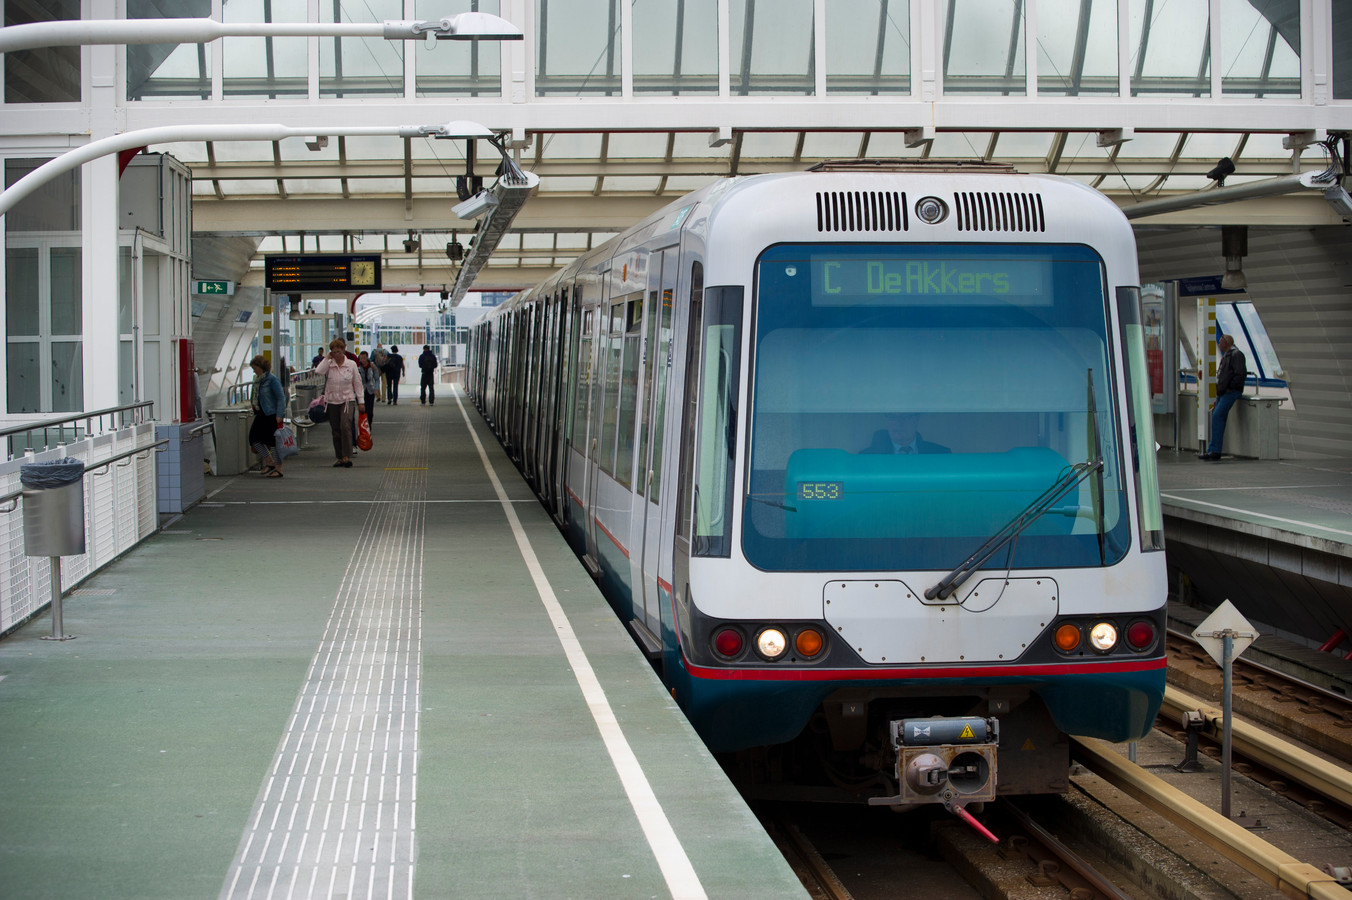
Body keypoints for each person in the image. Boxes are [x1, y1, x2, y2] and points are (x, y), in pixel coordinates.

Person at [314, 338, 365, 468]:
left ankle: (347, 456)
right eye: (333, 352)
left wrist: (361, 401)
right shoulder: (329, 364)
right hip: (332, 401)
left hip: (347, 400)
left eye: (338, 351)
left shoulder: (351, 364)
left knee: (345, 426)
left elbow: (358, 383)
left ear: (343, 350)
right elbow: (318, 371)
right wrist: (326, 358)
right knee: (335, 430)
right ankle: (340, 457)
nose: (336, 354)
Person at [1199, 333, 1247, 461]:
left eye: (1220, 341)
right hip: (1223, 392)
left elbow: (1239, 374)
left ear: (1226, 342)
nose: (1219, 344)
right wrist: (1219, 394)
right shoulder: (1227, 356)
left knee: (1217, 416)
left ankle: (1215, 450)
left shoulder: (1236, 355)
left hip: (1230, 392)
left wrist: (1230, 387)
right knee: (1217, 417)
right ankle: (1213, 449)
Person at [247, 355, 287, 477]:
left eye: (255, 368)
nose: (254, 371)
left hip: (271, 414)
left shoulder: (272, 380)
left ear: (261, 367)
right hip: (261, 413)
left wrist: (280, 414)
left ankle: (278, 468)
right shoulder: (259, 380)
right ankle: (270, 462)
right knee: (254, 438)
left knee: (272, 441)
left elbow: (280, 397)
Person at [862, 413, 950, 454]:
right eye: (892, 417)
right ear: (886, 421)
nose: (898, 423)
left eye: (905, 417)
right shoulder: (866, 457)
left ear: (916, 420)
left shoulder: (941, 453)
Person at [358, 350, 379, 427]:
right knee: (362, 410)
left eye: (364, 358)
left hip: (370, 390)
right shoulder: (358, 367)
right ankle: (363, 426)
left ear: (367, 358)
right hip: (360, 391)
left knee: (370, 411)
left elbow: (376, 379)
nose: (362, 360)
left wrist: (376, 388)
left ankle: (369, 425)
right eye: (361, 358)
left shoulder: (372, 366)